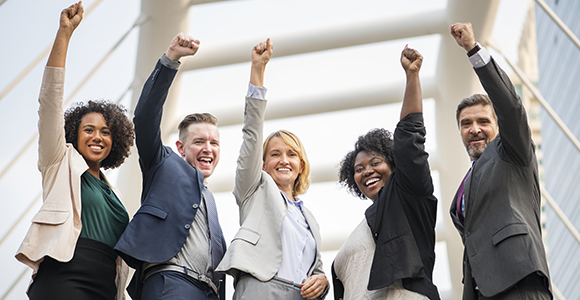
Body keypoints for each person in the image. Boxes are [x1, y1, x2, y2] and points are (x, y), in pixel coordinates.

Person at [15, 2, 135, 299]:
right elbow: (51, 102)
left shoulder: (113, 192)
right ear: (74, 135)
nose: (98, 137)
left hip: (106, 283)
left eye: (106, 132)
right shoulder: (59, 161)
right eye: (89, 130)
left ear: (115, 140)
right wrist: (64, 34)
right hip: (64, 276)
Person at [114, 33, 227, 300]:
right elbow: (145, 118)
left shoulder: (210, 199)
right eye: (199, 141)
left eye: (214, 143)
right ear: (180, 148)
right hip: (172, 281)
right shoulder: (163, 163)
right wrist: (171, 60)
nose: (208, 148)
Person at [215, 39, 329, 300]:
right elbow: (252, 134)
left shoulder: (309, 217)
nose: (284, 160)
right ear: (263, 165)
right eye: (275, 154)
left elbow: (316, 268)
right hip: (262, 289)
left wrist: (322, 280)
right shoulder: (254, 191)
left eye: (291, 154)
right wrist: (258, 71)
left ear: (301, 165)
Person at [449, 22, 552, 300]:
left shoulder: (512, 151)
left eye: (483, 121)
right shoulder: (465, 184)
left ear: (498, 125)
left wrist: (473, 49)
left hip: (519, 281)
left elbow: (510, 106)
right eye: (466, 124)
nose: (474, 129)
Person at [332, 46, 439, 300]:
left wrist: (412, 76)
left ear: (393, 164)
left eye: (375, 162)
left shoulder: (408, 198)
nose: (367, 171)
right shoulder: (367, 222)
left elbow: (409, 140)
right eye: (359, 169)